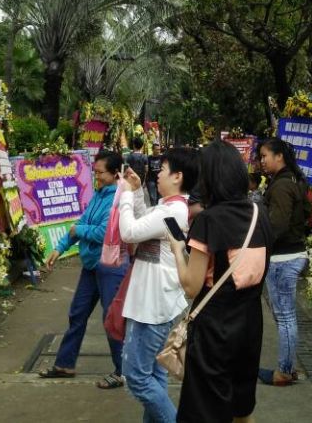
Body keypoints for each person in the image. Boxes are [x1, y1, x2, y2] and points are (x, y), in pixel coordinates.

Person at [169, 140, 272, 423]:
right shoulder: (258, 213)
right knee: (242, 408)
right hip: (250, 325)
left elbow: (191, 286)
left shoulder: (208, 221)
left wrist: (179, 251)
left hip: (215, 330)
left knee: (205, 409)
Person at [118, 147, 199, 423]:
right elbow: (144, 223)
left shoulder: (174, 211)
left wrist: (126, 194)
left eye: (162, 170)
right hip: (155, 300)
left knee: (137, 377)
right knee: (154, 373)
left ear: (177, 176)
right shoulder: (171, 207)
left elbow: (129, 232)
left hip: (152, 304)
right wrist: (138, 192)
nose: (157, 175)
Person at [39, 150, 128, 390]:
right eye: (95, 172)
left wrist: (79, 231)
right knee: (77, 313)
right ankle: (65, 364)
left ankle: (122, 371)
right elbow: (81, 224)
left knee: (111, 320)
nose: (96, 177)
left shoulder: (120, 197)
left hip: (111, 267)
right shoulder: (99, 194)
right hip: (91, 265)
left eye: (100, 173)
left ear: (115, 174)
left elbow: (103, 232)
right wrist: (59, 249)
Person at [257, 137, 310, 386]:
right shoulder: (293, 181)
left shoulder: (280, 186)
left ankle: (284, 371)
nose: (262, 161)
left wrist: (257, 241)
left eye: (265, 155)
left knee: (286, 316)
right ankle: (288, 365)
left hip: (283, 258)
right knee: (285, 316)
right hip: (293, 253)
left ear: (280, 156)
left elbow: (276, 225)